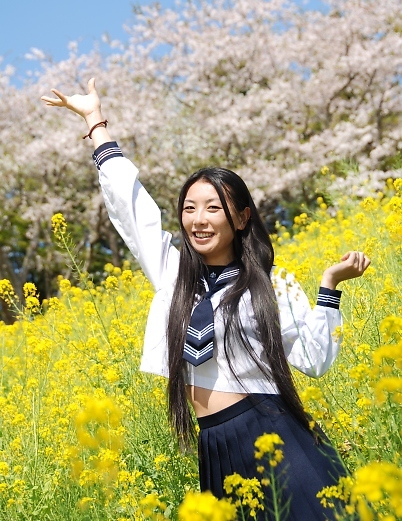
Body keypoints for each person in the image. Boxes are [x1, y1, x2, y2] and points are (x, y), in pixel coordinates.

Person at [41, 78, 370, 520]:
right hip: (214, 445)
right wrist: (95, 121)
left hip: (274, 434)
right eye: (190, 208)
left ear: (242, 217)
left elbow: (314, 359)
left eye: (213, 208)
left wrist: (329, 287)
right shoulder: (174, 276)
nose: (198, 219)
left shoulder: (272, 284)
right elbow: (134, 210)